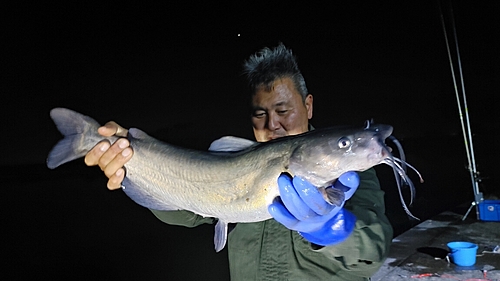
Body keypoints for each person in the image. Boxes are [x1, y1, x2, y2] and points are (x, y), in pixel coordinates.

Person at [84, 44, 393, 280]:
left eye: (283, 110)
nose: (272, 124)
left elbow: (372, 252)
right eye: (260, 113)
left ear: (308, 105)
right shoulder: (234, 157)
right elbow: (184, 213)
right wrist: (132, 163)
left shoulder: (347, 174)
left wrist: (333, 229)